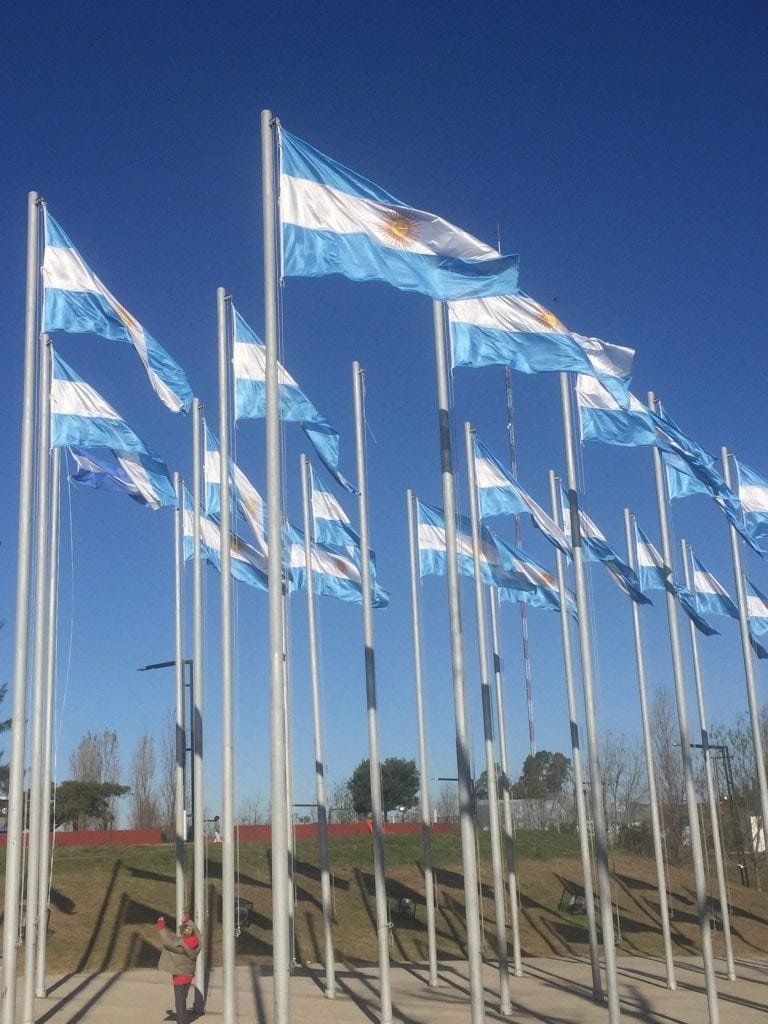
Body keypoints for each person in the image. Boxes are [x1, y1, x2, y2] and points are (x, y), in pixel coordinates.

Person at [156, 915, 201, 1024]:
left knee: (179, 1003)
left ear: (183, 933)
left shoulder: (179, 946)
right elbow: (198, 932)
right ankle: (183, 1018)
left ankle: (181, 1022)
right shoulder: (198, 942)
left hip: (179, 977)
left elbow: (166, 941)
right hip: (189, 975)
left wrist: (161, 926)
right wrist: (188, 921)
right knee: (183, 999)